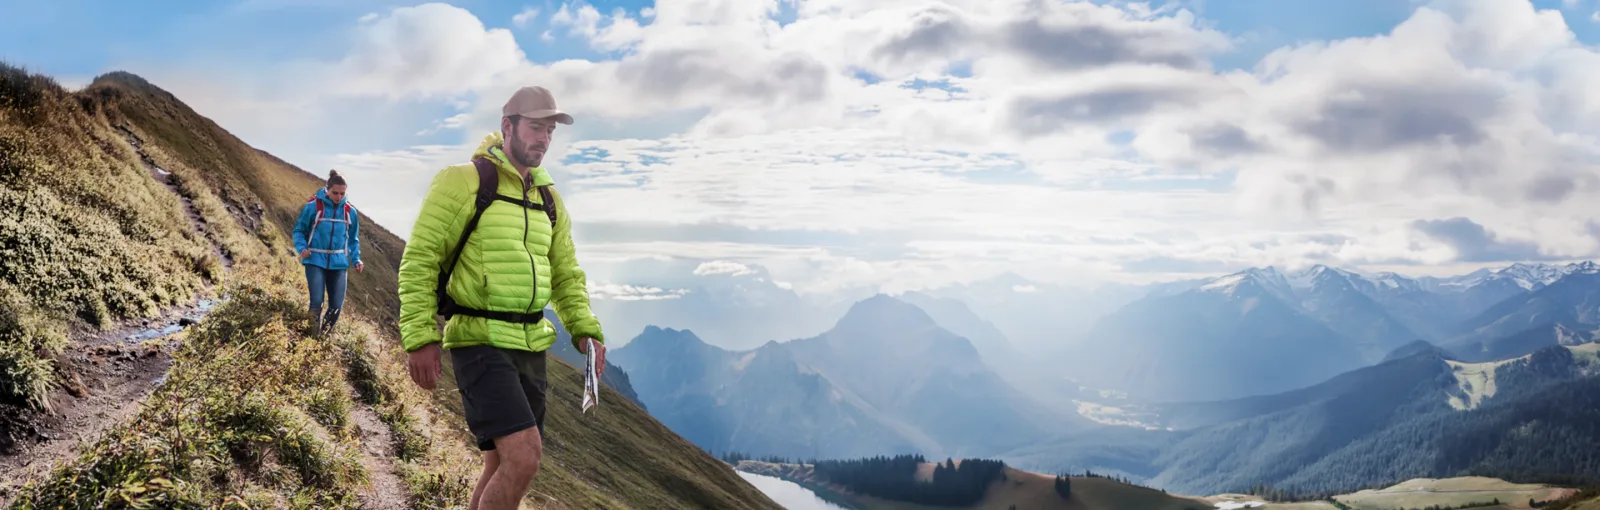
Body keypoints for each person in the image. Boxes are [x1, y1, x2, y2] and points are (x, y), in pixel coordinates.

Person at [396, 85, 607, 510]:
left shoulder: (549, 200)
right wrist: (420, 336)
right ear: (507, 126)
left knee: (499, 465)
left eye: (549, 130)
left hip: (530, 345)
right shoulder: (464, 181)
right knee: (524, 457)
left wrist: (585, 330)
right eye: (535, 127)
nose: (544, 139)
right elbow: (420, 259)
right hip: (479, 341)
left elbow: (566, 272)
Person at [293, 169, 363, 336]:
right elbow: (299, 230)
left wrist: (356, 259)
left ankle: (322, 340)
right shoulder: (313, 207)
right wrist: (302, 248)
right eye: (335, 193)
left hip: (339, 263)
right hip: (315, 259)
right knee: (316, 302)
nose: (339, 197)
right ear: (327, 189)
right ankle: (310, 340)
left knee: (336, 307)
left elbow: (353, 239)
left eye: (342, 193)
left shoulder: (349, 212)